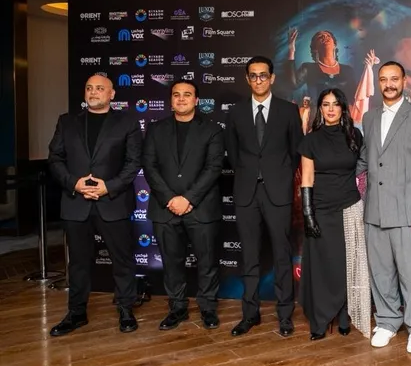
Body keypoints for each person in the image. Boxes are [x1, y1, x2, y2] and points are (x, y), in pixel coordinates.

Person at [47, 74, 142, 336]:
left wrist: (108, 187)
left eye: (100, 88)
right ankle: (76, 313)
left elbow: (133, 162)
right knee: (77, 263)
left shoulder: (127, 122)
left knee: (122, 260)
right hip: (76, 203)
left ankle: (126, 309)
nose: (93, 92)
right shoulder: (67, 122)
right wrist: (74, 183)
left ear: (112, 94)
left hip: (113, 202)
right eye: (89, 88)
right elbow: (55, 158)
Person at [357, 61, 411, 354]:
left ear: (404, 81)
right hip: (375, 211)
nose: (389, 84)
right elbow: (365, 160)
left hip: (408, 214)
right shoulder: (369, 117)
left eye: (394, 79)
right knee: (380, 273)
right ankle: (388, 321)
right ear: (378, 82)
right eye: (383, 79)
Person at [225, 56, 304, 337]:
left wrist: (277, 177)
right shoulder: (235, 112)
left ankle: (285, 315)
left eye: (263, 75)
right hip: (246, 193)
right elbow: (233, 153)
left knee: (282, 255)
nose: (258, 80)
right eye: (253, 75)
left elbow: (296, 152)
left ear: (272, 78)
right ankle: (250, 314)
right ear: (247, 79)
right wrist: (251, 175)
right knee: (249, 257)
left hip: (278, 193)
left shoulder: (288, 110)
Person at [141, 79, 224, 331]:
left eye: (187, 94)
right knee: (171, 263)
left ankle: (208, 307)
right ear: (170, 100)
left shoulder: (212, 130)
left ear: (196, 100)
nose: (181, 98)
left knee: (207, 262)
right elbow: (149, 166)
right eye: (176, 94)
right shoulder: (156, 129)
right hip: (164, 209)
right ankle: (177, 308)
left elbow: (214, 167)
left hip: (201, 208)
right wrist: (170, 199)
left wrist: (188, 199)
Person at [298, 88, 371, 340]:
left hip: (349, 207)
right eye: (326, 104)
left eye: (335, 104)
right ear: (320, 108)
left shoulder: (355, 135)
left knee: (347, 265)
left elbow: (364, 169)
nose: (330, 109)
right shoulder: (310, 140)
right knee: (321, 266)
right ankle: (319, 319)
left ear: (343, 108)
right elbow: (307, 178)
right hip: (320, 209)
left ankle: (344, 315)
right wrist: (308, 214)